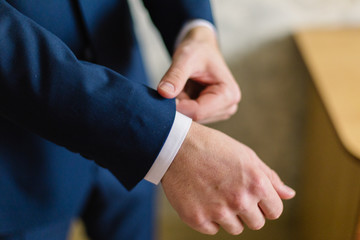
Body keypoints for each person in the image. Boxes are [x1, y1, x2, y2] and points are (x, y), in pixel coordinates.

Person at [0, 0, 295, 239]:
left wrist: (195, 28)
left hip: (132, 92)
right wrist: (169, 143)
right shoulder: (162, 143)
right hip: (16, 168)